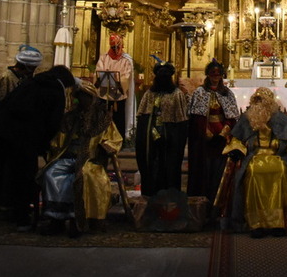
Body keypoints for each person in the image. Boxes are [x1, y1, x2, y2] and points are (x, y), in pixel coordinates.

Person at [0, 63, 74, 235]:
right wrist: (44, 146)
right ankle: (22, 220)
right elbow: (53, 123)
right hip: (24, 139)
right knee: (23, 178)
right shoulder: (56, 90)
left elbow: (5, 104)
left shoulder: (30, 83)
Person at [38, 81, 122, 237]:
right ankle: (57, 218)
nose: (82, 100)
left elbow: (114, 139)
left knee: (82, 177)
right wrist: (53, 147)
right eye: (80, 97)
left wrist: (107, 146)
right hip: (68, 156)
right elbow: (58, 140)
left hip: (90, 160)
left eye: (85, 97)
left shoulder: (102, 118)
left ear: (92, 98)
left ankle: (78, 219)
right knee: (51, 173)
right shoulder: (70, 117)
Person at [223, 87, 287, 237]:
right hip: (253, 157)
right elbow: (237, 139)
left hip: (277, 156)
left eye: (263, 101)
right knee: (253, 172)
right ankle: (256, 223)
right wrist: (236, 149)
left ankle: (277, 223)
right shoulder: (247, 118)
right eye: (257, 101)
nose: (260, 105)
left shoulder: (281, 119)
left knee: (281, 171)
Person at [187, 59, 240, 202]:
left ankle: (219, 200)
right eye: (213, 75)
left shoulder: (227, 93)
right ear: (208, 75)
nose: (215, 78)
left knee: (219, 169)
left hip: (222, 136)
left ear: (222, 76)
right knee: (205, 168)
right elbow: (197, 117)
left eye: (218, 75)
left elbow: (232, 117)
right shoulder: (200, 92)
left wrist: (223, 134)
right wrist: (207, 134)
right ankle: (202, 198)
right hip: (204, 136)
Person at [135, 56, 189, 196]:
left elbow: (181, 120)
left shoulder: (177, 94)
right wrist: (152, 133)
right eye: (160, 75)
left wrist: (171, 136)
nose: (163, 78)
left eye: (166, 75)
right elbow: (142, 117)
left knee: (169, 168)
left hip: (170, 139)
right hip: (151, 139)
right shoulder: (149, 94)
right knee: (152, 167)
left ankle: (170, 196)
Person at [94, 33, 134, 139]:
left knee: (119, 118)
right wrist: (106, 75)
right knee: (102, 117)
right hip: (104, 93)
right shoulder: (103, 58)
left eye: (117, 47)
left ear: (121, 46)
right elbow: (98, 71)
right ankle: (102, 139)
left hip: (118, 95)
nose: (115, 49)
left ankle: (119, 139)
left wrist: (117, 79)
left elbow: (126, 76)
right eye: (113, 47)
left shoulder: (126, 60)